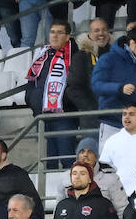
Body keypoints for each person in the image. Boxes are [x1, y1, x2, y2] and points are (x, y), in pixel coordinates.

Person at [25, 21, 96, 167]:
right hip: (43, 115)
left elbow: (80, 84)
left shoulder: (76, 56)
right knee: (49, 162)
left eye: (59, 32)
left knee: (67, 158)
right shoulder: (42, 55)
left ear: (68, 36)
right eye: (52, 32)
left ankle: (72, 188)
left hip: (65, 115)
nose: (55, 35)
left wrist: (69, 102)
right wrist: (32, 101)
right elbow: (33, 82)